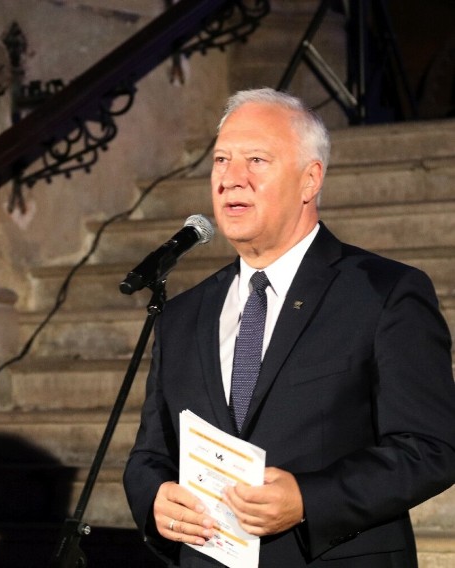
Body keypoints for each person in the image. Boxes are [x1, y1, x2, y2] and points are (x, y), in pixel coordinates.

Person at [123, 88, 455, 567]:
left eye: (256, 159)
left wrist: (309, 499)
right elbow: (149, 454)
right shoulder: (182, 315)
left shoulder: (384, 293)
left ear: (309, 180)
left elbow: (431, 448)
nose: (231, 179)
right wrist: (155, 498)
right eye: (221, 160)